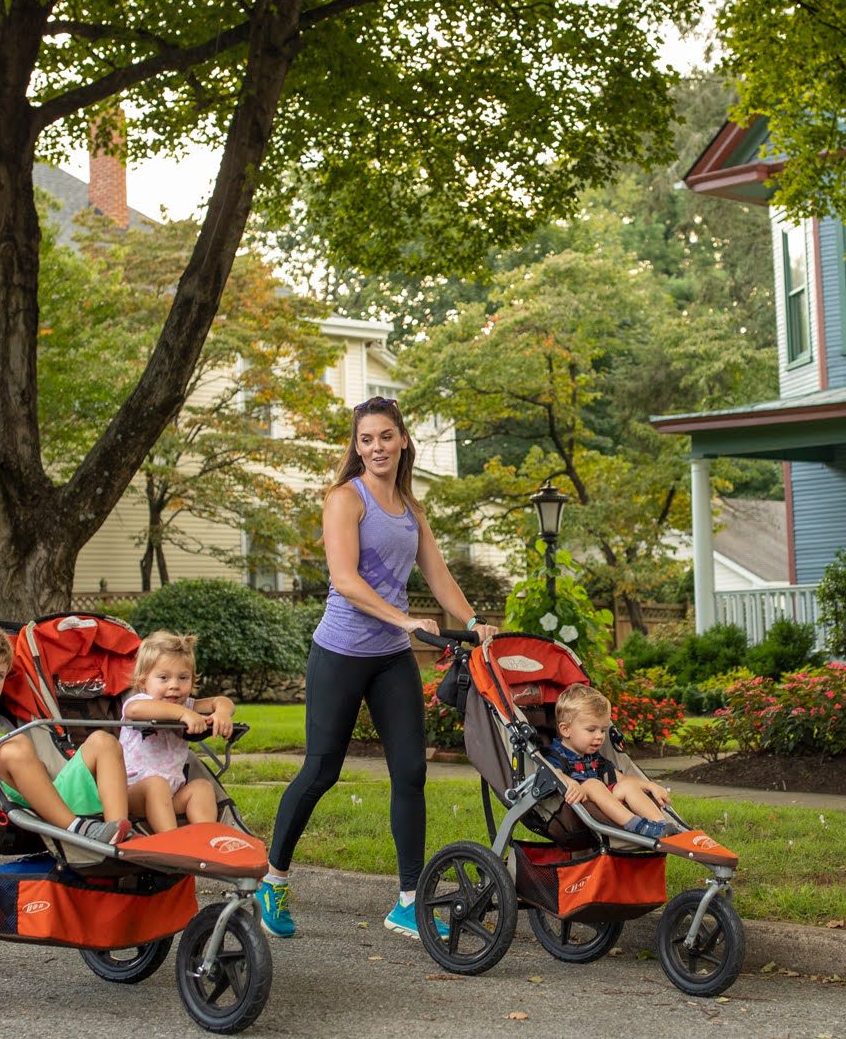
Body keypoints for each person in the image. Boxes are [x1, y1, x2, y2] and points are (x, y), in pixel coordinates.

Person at [257, 395, 496, 941]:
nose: (376, 447)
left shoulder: (412, 509)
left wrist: (476, 620)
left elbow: (437, 576)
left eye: (385, 436)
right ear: (356, 446)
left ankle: (409, 900)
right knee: (322, 771)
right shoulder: (347, 498)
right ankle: (272, 879)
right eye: (366, 439)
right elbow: (344, 579)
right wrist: (405, 620)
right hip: (340, 653)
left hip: (389, 657)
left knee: (411, 771)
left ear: (403, 440)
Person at [0, 623, 131, 844]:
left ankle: (116, 832)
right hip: (0, 800)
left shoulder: (2, 721)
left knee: (103, 741)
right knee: (14, 748)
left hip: (45, 792)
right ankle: (76, 827)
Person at [119, 630, 234, 832]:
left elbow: (221, 701)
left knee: (202, 788)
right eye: (163, 678)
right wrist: (183, 714)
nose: (174, 685)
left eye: (183, 678)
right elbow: (133, 711)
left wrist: (222, 713)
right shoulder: (141, 701)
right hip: (133, 795)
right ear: (144, 682)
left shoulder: (188, 704)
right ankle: (172, 843)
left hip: (171, 797)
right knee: (156, 784)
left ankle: (206, 839)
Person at [545, 684, 679, 839]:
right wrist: (570, 782)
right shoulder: (556, 754)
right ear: (565, 729)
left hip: (605, 802)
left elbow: (621, 778)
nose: (600, 736)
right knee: (592, 784)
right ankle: (635, 825)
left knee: (627, 785)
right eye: (591, 730)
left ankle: (660, 825)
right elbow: (551, 772)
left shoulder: (594, 756)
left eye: (602, 730)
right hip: (573, 807)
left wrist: (650, 785)